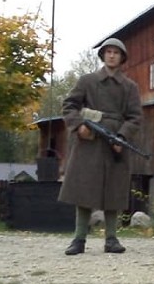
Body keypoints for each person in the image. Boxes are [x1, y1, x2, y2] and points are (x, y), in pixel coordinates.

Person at [58, 37, 143, 255]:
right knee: (84, 188)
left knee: (114, 189)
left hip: (116, 140)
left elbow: (135, 117)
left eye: (116, 52)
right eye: (108, 52)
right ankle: (78, 239)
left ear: (122, 57)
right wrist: (78, 126)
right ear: (103, 55)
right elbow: (69, 105)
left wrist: (122, 137)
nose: (112, 55)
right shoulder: (87, 81)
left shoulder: (130, 87)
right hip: (89, 140)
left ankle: (112, 239)